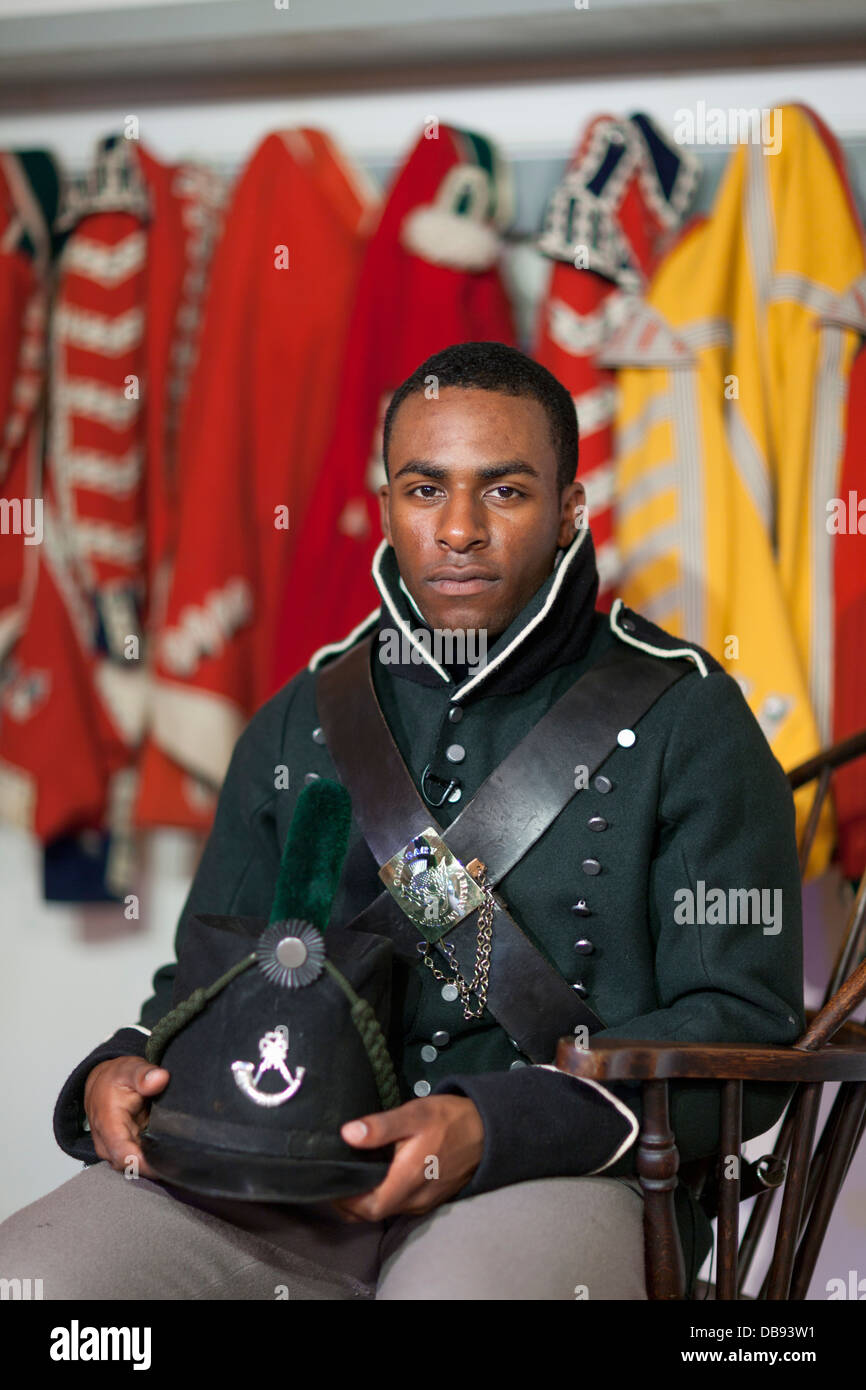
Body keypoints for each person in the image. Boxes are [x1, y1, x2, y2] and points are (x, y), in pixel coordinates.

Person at [0, 341, 805, 1300]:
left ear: (570, 513)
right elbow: (201, 987)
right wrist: (118, 1071)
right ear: (387, 504)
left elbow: (743, 1035)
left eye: (504, 492)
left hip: (555, 1177)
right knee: (35, 1283)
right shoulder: (305, 714)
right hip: (284, 1175)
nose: (458, 529)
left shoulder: (688, 715)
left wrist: (496, 1126)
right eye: (425, 490)